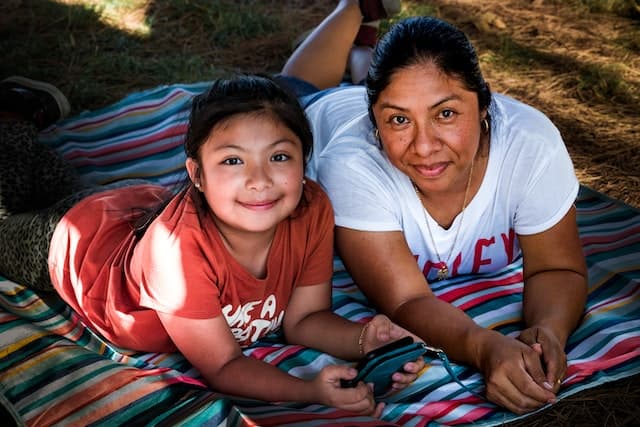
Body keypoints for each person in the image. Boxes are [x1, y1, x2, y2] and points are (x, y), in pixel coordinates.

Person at [0, 73, 424, 417]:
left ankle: (19, 123)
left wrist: (366, 339)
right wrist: (308, 389)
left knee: (45, 177)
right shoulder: (176, 255)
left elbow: (306, 319)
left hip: (132, 208)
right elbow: (223, 365)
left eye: (279, 157)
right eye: (233, 160)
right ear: (197, 175)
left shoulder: (310, 207)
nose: (259, 180)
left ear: (303, 161)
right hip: (73, 245)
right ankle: (13, 120)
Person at [276, 0, 589, 415]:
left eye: (445, 113)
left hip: (372, 99)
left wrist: (548, 331)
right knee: (290, 91)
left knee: (366, 85)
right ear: (375, 121)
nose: (424, 147)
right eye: (398, 121)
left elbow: (558, 268)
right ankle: (355, 8)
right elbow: (406, 302)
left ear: (483, 106)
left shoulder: (530, 146)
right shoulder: (352, 165)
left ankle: (364, 57)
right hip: (323, 117)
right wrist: (483, 347)